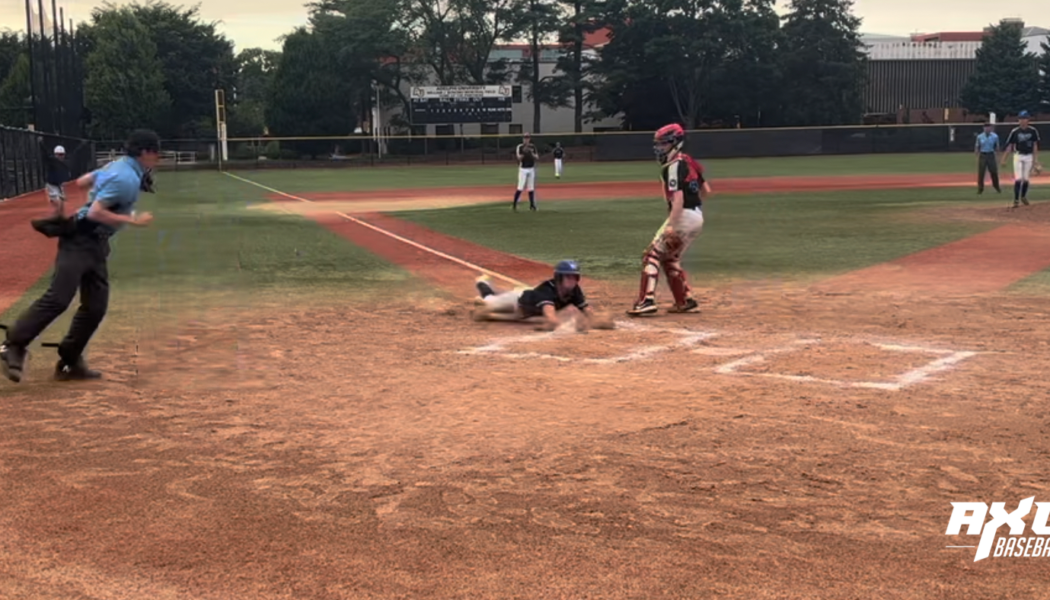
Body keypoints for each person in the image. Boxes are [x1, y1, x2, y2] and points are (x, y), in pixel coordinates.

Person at [1, 129, 160, 383]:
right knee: (59, 298)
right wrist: (132, 219)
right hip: (80, 239)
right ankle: (13, 345)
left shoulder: (119, 166)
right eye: (155, 154)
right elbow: (96, 212)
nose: (157, 160)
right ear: (145, 153)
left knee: (96, 306)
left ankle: (69, 361)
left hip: (96, 245)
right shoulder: (126, 177)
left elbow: (84, 181)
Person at [627, 123, 709, 317]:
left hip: (682, 216)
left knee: (651, 256)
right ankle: (685, 301)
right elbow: (706, 191)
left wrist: (673, 225)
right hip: (696, 216)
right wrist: (692, 212)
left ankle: (646, 301)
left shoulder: (673, 166)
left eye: (664, 144)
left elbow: (678, 199)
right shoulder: (689, 162)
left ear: (676, 143)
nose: (659, 148)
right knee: (670, 258)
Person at [472, 260, 613, 332]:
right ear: (559, 278)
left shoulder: (575, 290)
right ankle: (483, 283)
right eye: (568, 277)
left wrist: (596, 320)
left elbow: (587, 311)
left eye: (574, 277)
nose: (572, 280)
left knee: (490, 316)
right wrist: (553, 325)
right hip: (518, 299)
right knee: (489, 302)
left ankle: (488, 314)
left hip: (527, 312)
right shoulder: (548, 289)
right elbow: (551, 317)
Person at [1001, 110, 1041, 207]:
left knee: (1026, 179)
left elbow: (1035, 145)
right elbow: (1010, 145)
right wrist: (1004, 158)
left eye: (1025, 118)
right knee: (1018, 178)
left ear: (1028, 120)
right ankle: (1016, 200)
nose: (1023, 121)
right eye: (1021, 119)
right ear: (1018, 120)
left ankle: (1023, 196)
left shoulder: (1033, 131)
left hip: (1029, 156)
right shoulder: (1015, 131)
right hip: (1018, 155)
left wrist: (1035, 160)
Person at [512, 133, 539, 211]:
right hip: (523, 169)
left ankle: (532, 205)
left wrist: (531, 153)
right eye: (525, 138)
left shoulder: (533, 147)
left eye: (527, 138)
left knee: (531, 188)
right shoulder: (520, 147)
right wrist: (524, 152)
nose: (526, 139)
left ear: (529, 139)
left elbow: (537, 157)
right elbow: (519, 158)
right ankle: (514, 204)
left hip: (531, 168)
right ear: (523, 139)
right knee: (520, 187)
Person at [974, 122, 1001, 194]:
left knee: (994, 171)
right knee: (981, 172)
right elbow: (977, 146)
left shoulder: (995, 136)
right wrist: (977, 156)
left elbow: (997, 146)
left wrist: (998, 156)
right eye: (986, 127)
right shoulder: (980, 136)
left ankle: (996, 186)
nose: (987, 129)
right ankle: (980, 188)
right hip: (983, 154)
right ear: (983, 128)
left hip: (991, 154)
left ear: (991, 128)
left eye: (989, 127)